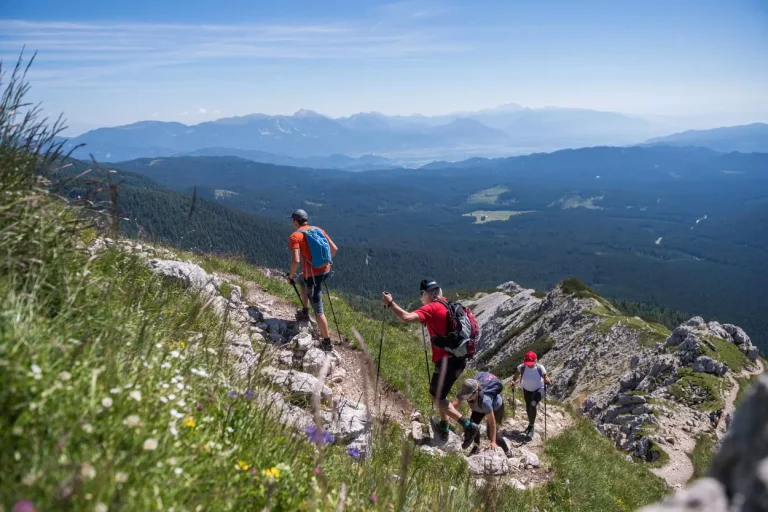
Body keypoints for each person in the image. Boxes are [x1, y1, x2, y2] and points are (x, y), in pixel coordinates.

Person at [382, 280, 478, 444]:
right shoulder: (446, 303)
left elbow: (406, 318)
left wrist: (390, 303)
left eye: (422, 294)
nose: (421, 297)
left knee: (436, 397)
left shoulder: (432, 307)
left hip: (447, 362)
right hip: (459, 359)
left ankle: (468, 425)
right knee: (439, 394)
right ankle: (444, 425)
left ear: (429, 293)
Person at [287, 209, 338, 352]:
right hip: (326, 270)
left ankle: (327, 342)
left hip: (313, 276)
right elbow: (334, 249)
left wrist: (290, 276)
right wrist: (322, 265)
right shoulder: (317, 229)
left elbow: (296, 260)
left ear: (295, 222)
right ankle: (305, 310)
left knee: (319, 310)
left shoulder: (295, 236)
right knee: (301, 280)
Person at [454, 372, 511, 456]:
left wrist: (493, 441)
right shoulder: (466, 390)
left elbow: (492, 423)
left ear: (476, 392)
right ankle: (476, 446)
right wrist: (444, 411)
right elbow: (455, 404)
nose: (467, 399)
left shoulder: (485, 402)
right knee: (473, 427)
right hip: (478, 407)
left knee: (491, 435)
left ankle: (507, 451)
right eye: (465, 396)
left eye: (468, 396)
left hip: (496, 408)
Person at [509, 351, 551, 440]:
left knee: (533, 404)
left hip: (539, 389)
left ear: (536, 361)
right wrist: (513, 382)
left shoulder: (540, 368)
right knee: (528, 407)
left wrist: (547, 380)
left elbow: (545, 377)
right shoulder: (522, 367)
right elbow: (515, 376)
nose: (529, 365)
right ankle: (530, 424)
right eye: (528, 363)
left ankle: (531, 426)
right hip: (527, 389)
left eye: (531, 363)